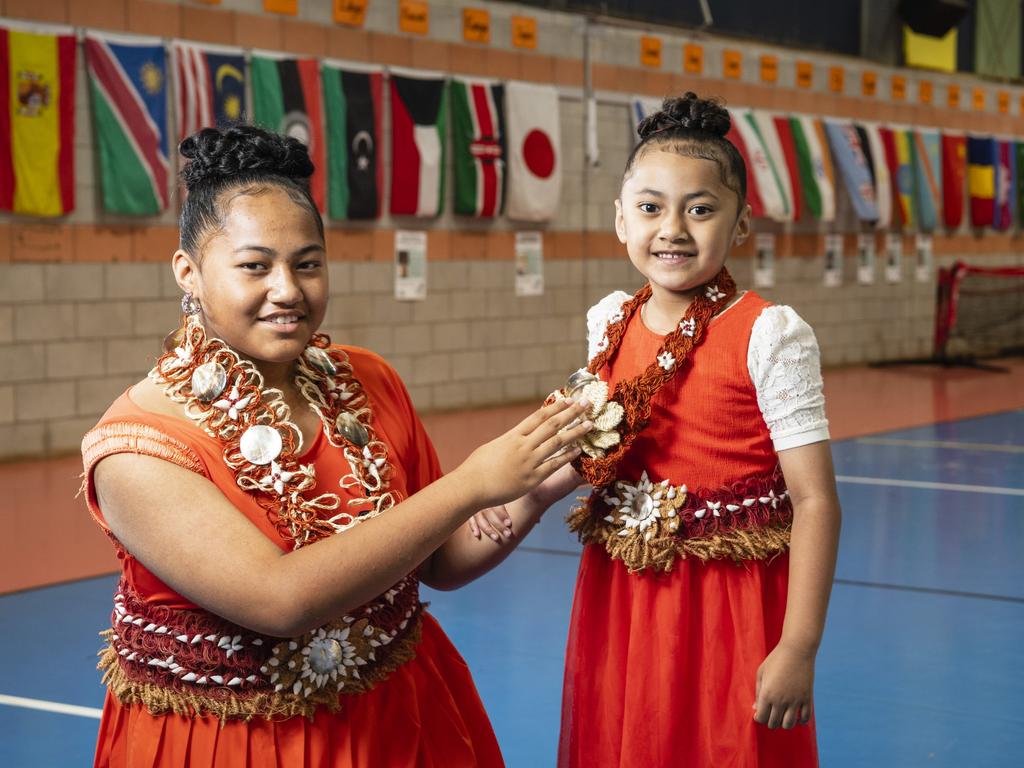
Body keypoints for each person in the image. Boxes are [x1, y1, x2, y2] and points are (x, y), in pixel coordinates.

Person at [81, 124, 591, 768]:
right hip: (234, 746)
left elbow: (442, 561)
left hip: (398, 717)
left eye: (308, 263)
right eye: (254, 266)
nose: (288, 290)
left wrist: (552, 472)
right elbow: (281, 600)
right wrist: (470, 484)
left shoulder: (368, 379)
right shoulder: (140, 447)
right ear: (189, 271)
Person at [544, 92, 841, 766]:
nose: (672, 228)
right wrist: (512, 503)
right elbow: (591, 443)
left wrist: (798, 644)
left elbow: (816, 499)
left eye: (700, 209)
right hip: (622, 592)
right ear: (621, 220)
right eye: (650, 208)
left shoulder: (768, 334)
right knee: (628, 738)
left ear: (739, 226)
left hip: (724, 607)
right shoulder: (610, 320)